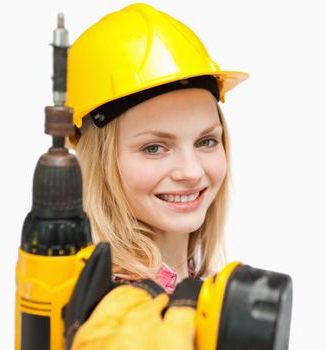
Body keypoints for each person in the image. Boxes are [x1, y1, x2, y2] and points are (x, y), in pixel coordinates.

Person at [67, 3, 248, 294]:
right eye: (154, 148)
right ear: (98, 161)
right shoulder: (108, 315)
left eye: (206, 141)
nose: (191, 171)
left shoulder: (200, 293)